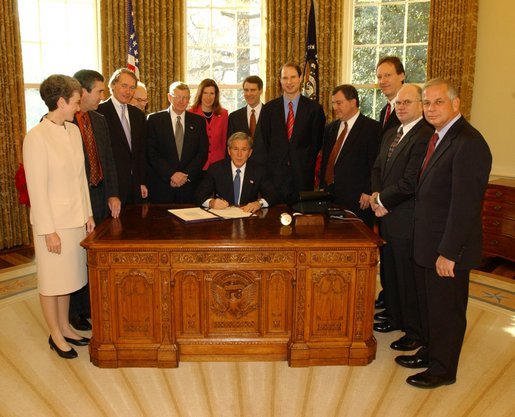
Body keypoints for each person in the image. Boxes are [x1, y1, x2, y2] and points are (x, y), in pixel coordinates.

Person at [395, 79, 492, 389]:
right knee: (430, 308)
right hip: (428, 243)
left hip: (447, 250)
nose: (431, 108)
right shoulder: (437, 137)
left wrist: (449, 252)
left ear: (456, 104)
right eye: (427, 103)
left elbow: (465, 206)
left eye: (438, 102)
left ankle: (442, 370)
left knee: (446, 313)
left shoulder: (468, 142)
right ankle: (430, 351)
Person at [23, 74, 95, 359]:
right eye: (76, 101)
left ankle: (65, 325)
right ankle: (54, 333)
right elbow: (37, 190)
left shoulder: (73, 131)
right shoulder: (36, 138)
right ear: (61, 101)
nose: (79, 107)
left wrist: (87, 213)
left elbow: (81, 178)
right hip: (52, 224)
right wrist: (48, 230)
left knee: (68, 279)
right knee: (52, 282)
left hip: (75, 219)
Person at [369, 84, 433, 347]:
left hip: (406, 218)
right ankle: (395, 316)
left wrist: (383, 200)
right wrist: (376, 197)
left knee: (408, 278)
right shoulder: (391, 133)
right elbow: (377, 168)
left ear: (420, 104)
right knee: (391, 272)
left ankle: (414, 331)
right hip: (386, 215)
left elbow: (411, 182)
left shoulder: (425, 135)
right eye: (398, 103)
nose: (401, 107)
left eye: (407, 102)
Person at [67, 69, 121, 331]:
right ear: (84, 91)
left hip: (101, 194)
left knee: (98, 251)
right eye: (99, 91)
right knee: (79, 253)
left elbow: (108, 159)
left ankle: (94, 302)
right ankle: (76, 310)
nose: (103, 95)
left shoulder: (99, 120)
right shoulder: (64, 123)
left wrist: (113, 193)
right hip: (79, 198)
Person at [253, 62, 326, 204]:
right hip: (274, 177)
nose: (289, 82)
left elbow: (316, 143)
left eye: (293, 77)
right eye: (285, 78)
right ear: (280, 81)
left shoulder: (314, 109)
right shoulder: (269, 109)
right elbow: (264, 141)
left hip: (302, 176)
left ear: (300, 79)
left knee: (302, 221)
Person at [319, 84, 380, 227]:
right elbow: (326, 160)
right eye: (333, 103)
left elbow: (375, 163)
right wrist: (322, 187)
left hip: (358, 199)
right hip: (331, 196)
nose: (335, 107)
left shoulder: (371, 128)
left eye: (339, 103)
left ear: (353, 102)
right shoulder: (330, 128)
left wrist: (368, 190)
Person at [146, 81, 208, 203]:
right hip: (162, 185)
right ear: (169, 97)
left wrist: (185, 176)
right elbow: (151, 153)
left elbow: (202, 153)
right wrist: (171, 174)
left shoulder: (198, 122)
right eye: (177, 97)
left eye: (185, 97)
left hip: (189, 186)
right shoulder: (154, 120)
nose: (181, 101)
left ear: (189, 99)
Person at [97, 68, 147, 205]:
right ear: (113, 86)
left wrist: (142, 181)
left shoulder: (138, 115)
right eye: (124, 86)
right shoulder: (99, 113)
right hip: (111, 187)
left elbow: (141, 152)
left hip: (134, 186)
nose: (128, 91)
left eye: (132, 87)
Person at [195, 132, 277, 212]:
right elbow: (199, 195)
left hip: (248, 218)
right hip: (223, 218)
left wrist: (259, 203)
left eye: (244, 150)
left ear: (250, 153)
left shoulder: (259, 170)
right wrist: (211, 203)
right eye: (235, 149)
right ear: (229, 151)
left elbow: (272, 195)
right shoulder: (216, 169)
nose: (239, 154)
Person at [188, 78, 229, 170]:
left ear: (216, 95)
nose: (208, 97)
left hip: (218, 165)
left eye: (212, 93)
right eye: (205, 93)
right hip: (196, 165)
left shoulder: (224, 114)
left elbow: (225, 141)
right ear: (200, 94)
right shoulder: (190, 113)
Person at [376, 56, 405, 134]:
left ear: (401, 76)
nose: (382, 81)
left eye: (387, 75)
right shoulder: (384, 112)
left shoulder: (412, 108)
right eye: (379, 77)